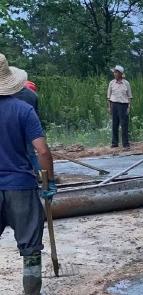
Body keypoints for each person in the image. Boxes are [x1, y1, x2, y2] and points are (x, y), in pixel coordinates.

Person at [0, 53, 57, 295]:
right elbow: (42, 150)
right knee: (30, 249)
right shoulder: (24, 109)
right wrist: (49, 181)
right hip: (20, 188)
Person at [13, 80, 41, 175]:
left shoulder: (13, 95)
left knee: (26, 153)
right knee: (30, 153)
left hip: (16, 128)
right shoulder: (33, 95)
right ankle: (39, 174)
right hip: (31, 128)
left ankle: (37, 173)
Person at [107, 65, 133, 149]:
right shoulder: (111, 83)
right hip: (114, 104)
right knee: (115, 124)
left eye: (116, 72)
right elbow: (109, 96)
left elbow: (129, 96)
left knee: (124, 124)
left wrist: (129, 107)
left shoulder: (126, 83)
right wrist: (109, 107)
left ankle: (125, 143)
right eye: (114, 72)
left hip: (123, 105)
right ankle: (114, 143)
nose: (114, 74)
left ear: (120, 74)